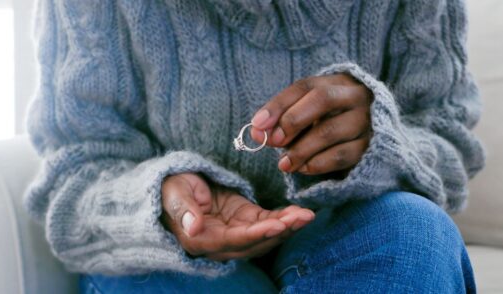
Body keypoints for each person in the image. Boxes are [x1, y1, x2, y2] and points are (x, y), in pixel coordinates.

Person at [25, 0, 485, 293]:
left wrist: (384, 143)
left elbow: (449, 145)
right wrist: (158, 205)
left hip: (353, 235)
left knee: (414, 232)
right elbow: (74, 175)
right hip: (169, 264)